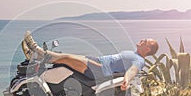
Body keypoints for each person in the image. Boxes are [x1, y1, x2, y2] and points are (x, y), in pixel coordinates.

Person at [22, 31, 159, 91]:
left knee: (67, 59)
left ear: (147, 49)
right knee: (66, 56)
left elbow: (133, 70)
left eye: (144, 41)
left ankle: (36, 51)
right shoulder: (135, 53)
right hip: (97, 61)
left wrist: (126, 80)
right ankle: (36, 55)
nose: (141, 41)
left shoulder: (139, 60)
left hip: (100, 69)